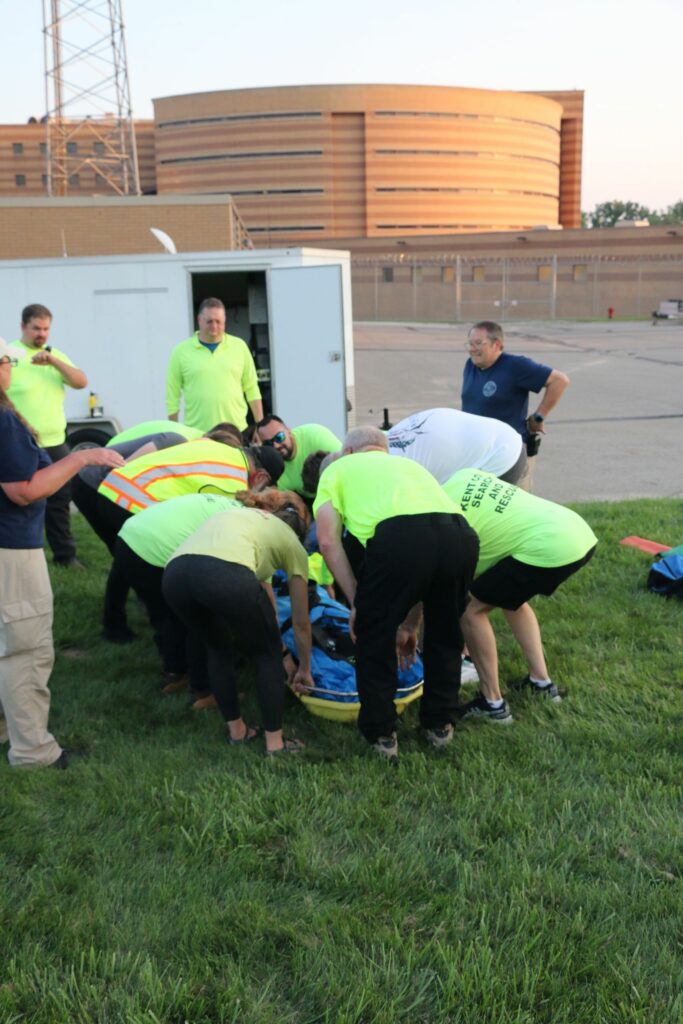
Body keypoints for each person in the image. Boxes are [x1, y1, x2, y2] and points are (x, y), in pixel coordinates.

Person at [314, 426, 479, 760]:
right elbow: (425, 558)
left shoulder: (337, 469)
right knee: (446, 632)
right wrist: (410, 623)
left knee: (374, 637)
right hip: (460, 536)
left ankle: (382, 733)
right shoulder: (411, 467)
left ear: (348, 452)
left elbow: (328, 541)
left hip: (397, 539)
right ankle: (439, 724)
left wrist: (360, 600)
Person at [0, 337, 124, 769]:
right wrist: (80, 460)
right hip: (12, 551)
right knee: (25, 648)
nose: (10, 369)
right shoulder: (3, 420)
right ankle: (33, 750)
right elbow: (23, 490)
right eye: (6, 362)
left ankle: (7, 727)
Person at [163, 491, 315, 755]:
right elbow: (301, 623)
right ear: (299, 532)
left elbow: (265, 600)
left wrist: (281, 647)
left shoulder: (246, 520)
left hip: (175, 575)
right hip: (225, 573)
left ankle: (238, 732)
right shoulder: (293, 544)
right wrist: (305, 668)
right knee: (265, 656)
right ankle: (275, 745)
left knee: (217, 648)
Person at [443, 468, 597, 724]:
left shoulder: (443, 519)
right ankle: (541, 683)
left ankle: (493, 703)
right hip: (578, 531)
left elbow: (450, 584)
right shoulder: (464, 474)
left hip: (548, 546)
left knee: (471, 611)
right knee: (511, 599)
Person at [96, 438, 284, 642]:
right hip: (133, 497)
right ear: (262, 477)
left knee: (128, 557)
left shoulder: (222, 449)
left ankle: (114, 623)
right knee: (155, 569)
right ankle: (168, 647)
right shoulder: (236, 482)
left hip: (115, 484)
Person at [7, 303, 89, 567]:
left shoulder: (55, 356)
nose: (41, 334)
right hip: (20, 442)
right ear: (23, 326)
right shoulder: (10, 354)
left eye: (45, 329)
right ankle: (22, 554)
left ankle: (65, 556)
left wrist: (53, 360)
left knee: (60, 501)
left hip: (54, 442)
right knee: (21, 499)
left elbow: (80, 381)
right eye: (36, 328)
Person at [461, 321, 570, 490]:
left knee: (512, 506)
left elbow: (559, 380)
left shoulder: (515, 366)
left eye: (478, 343)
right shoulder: (471, 365)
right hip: (478, 455)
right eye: (470, 343)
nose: (472, 348)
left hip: (508, 457)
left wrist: (539, 416)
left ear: (497, 344)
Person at [166, 297, 263, 433]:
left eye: (219, 322)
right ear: (199, 320)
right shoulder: (180, 352)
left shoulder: (239, 347)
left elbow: (252, 388)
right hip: (197, 434)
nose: (214, 326)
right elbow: (172, 396)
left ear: (225, 321)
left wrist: (260, 428)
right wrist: (174, 431)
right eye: (209, 321)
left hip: (237, 432)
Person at [386, 406, 526, 484]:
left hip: (500, 457)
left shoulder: (398, 470)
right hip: (497, 434)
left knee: (463, 524)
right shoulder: (386, 438)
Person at [256, 414, 341, 498]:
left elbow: (346, 463)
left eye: (279, 437)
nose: (276, 446)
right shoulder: (274, 465)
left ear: (289, 431)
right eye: (268, 443)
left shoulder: (316, 437)